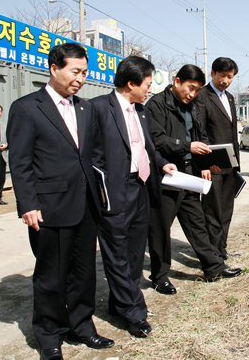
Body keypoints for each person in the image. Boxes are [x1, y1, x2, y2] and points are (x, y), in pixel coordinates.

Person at [7, 43, 114, 360]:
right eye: (75, 71)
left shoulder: (86, 108)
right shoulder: (27, 107)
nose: (80, 78)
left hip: (85, 205)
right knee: (51, 276)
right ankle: (49, 336)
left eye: (85, 72)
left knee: (84, 273)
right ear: (54, 68)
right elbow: (21, 162)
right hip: (49, 208)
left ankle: (82, 327)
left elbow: (93, 156)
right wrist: (28, 204)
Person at [89, 56, 176, 338]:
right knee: (116, 255)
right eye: (148, 84)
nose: (150, 90)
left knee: (136, 253)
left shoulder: (142, 111)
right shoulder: (98, 108)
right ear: (131, 83)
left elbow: (147, 147)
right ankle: (135, 312)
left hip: (141, 188)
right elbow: (89, 154)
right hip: (114, 192)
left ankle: (119, 302)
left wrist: (162, 163)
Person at [145, 64, 241, 294]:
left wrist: (204, 163)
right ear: (177, 81)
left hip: (188, 174)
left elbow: (202, 136)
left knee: (197, 222)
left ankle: (214, 267)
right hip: (167, 174)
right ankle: (160, 277)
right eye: (190, 88)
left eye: (197, 90)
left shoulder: (192, 106)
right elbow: (155, 139)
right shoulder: (156, 105)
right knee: (160, 229)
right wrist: (186, 146)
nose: (192, 94)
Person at [194, 57, 240, 260]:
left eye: (230, 77)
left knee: (227, 210)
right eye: (222, 75)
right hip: (212, 164)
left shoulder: (229, 97)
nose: (226, 80)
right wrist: (203, 163)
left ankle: (222, 248)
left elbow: (231, 130)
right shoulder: (202, 96)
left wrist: (236, 162)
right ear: (212, 73)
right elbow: (199, 131)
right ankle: (212, 254)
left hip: (230, 163)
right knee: (212, 211)